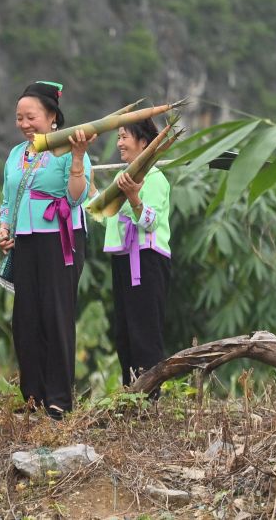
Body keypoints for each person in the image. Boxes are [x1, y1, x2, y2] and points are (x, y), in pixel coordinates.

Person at [0, 81, 96, 420]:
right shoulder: (15, 154)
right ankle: (32, 395)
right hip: (25, 240)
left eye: (31, 117)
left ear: (52, 116)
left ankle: (59, 399)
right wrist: (4, 227)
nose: (24, 124)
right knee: (25, 318)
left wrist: (79, 157)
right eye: (19, 118)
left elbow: (78, 197)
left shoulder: (69, 147)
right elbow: (9, 197)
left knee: (56, 315)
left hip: (60, 238)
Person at [102, 118, 171, 392]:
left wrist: (134, 198)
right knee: (125, 332)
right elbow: (108, 218)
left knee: (145, 331)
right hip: (122, 258)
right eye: (118, 137)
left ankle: (149, 397)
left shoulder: (154, 178)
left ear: (143, 142)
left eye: (124, 137)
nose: (119, 143)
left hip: (147, 259)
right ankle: (130, 394)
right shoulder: (126, 179)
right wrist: (96, 192)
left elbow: (150, 221)